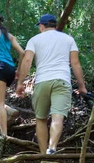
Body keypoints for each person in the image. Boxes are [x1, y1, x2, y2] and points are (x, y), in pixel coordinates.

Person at [15, 13, 87, 154]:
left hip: (42, 81)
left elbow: (27, 61)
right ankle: (52, 148)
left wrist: (20, 83)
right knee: (57, 117)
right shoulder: (68, 39)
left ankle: (43, 154)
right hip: (62, 80)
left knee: (41, 119)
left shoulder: (34, 40)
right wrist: (81, 86)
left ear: (41, 26)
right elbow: (75, 63)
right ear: (54, 25)